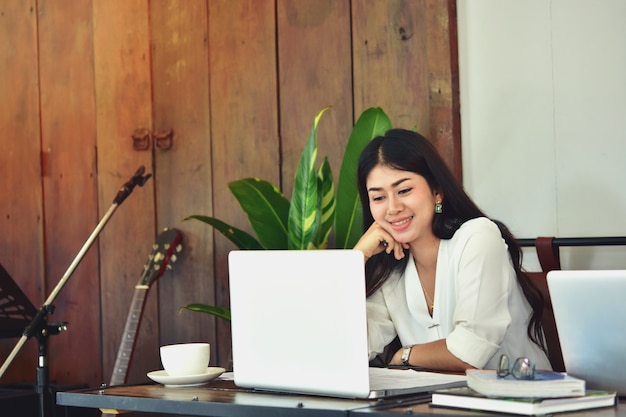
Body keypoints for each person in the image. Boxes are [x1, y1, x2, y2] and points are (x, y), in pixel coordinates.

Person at [354, 129, 552, 372]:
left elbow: (469, 353)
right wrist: (357, 258)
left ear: (437, 191)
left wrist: (405, 355)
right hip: (434, 404)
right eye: (378, 198)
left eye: (404, 190)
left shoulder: (477, 237)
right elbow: (351, 346)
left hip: (517, 401)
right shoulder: (390, 268)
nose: (393, 208)